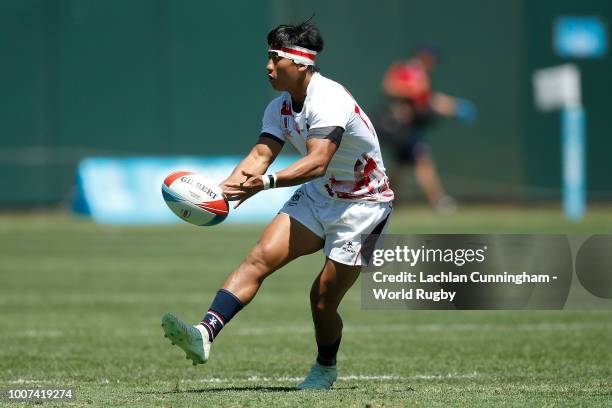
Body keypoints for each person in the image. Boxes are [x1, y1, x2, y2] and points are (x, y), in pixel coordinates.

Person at [161, 20, 394, 390]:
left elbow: (317, 160)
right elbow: (259, 155)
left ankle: (325, 365)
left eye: (276, 58)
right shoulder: (279, 107)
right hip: (320, 194)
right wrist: (218, 193)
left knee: (322, 301)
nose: (268, 66)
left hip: (364, 206)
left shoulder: (329, 98)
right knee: (258, 258)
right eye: (267, 57)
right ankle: (204, 332)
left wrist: (267, 183)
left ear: (301, 63)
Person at [377, 47, 476, 213]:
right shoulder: (407, 69)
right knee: (423, 160)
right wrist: (412, 90)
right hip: (396, 125)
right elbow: (389, 86)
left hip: (409, 126)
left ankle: (386, 198)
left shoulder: (421, 75)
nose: (432, 63)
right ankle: (438, 201)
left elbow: (430, 99)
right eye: (429, 58)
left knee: (401, 164)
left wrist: (456, 107)